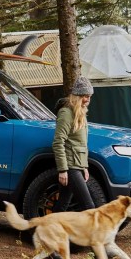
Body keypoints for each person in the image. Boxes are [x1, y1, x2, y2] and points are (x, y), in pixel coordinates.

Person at [52, 76, 95, 214]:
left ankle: (49, 232)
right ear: (76, 95)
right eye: (85, 96)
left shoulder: (80, 113)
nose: (88, 99)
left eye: (89, 96)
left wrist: (85, 167)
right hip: (70, 167)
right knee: (89, 207)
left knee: (63, 203)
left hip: (77, 165)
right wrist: (63, 170)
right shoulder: (66, 113)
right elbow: (58, 142)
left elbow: (82, 144)